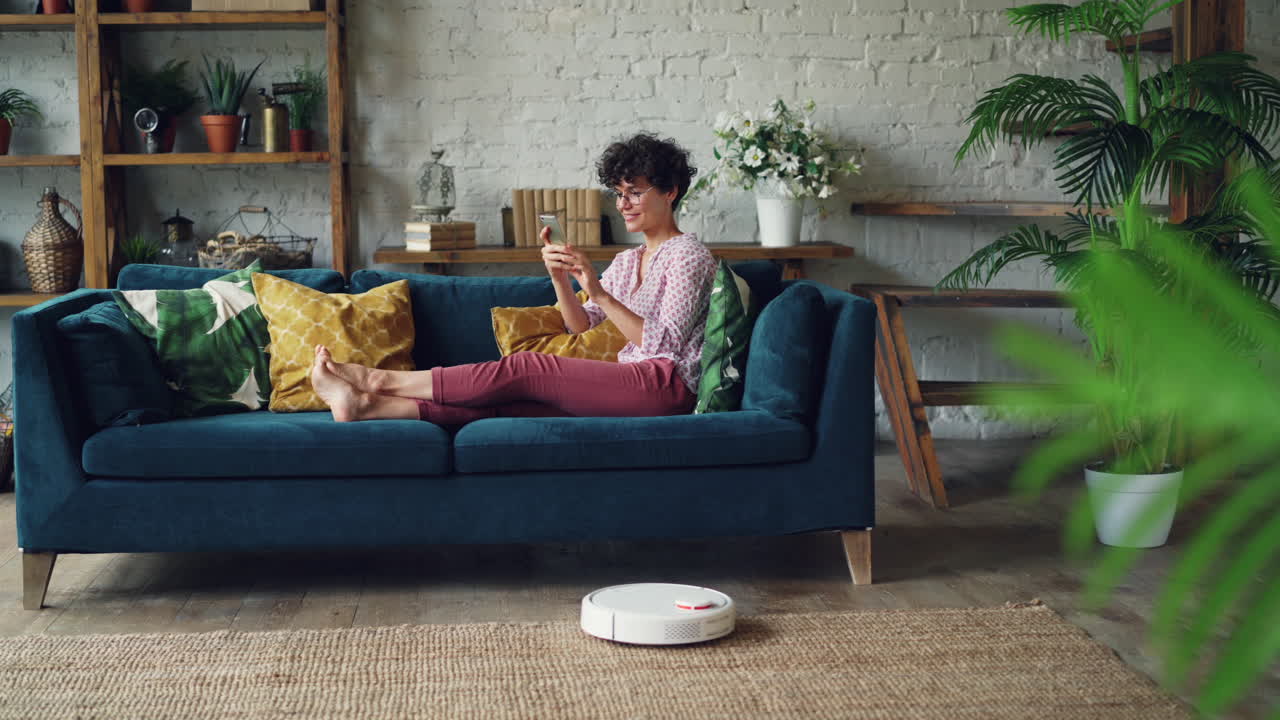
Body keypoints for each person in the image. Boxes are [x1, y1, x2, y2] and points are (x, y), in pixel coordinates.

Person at [310, 133, 718, 425]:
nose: (622, 204)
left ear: (670, 192)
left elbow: (664, 344)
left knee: (525, 368)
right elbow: (580, 324)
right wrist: (560, 277)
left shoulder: (689, 256)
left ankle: (374, 378)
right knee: (507, 406)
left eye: (634, 193)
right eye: (618, 193)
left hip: (666, 385)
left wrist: (597, 290)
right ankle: (364, 406)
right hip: (632, 381)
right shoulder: (630, 260)